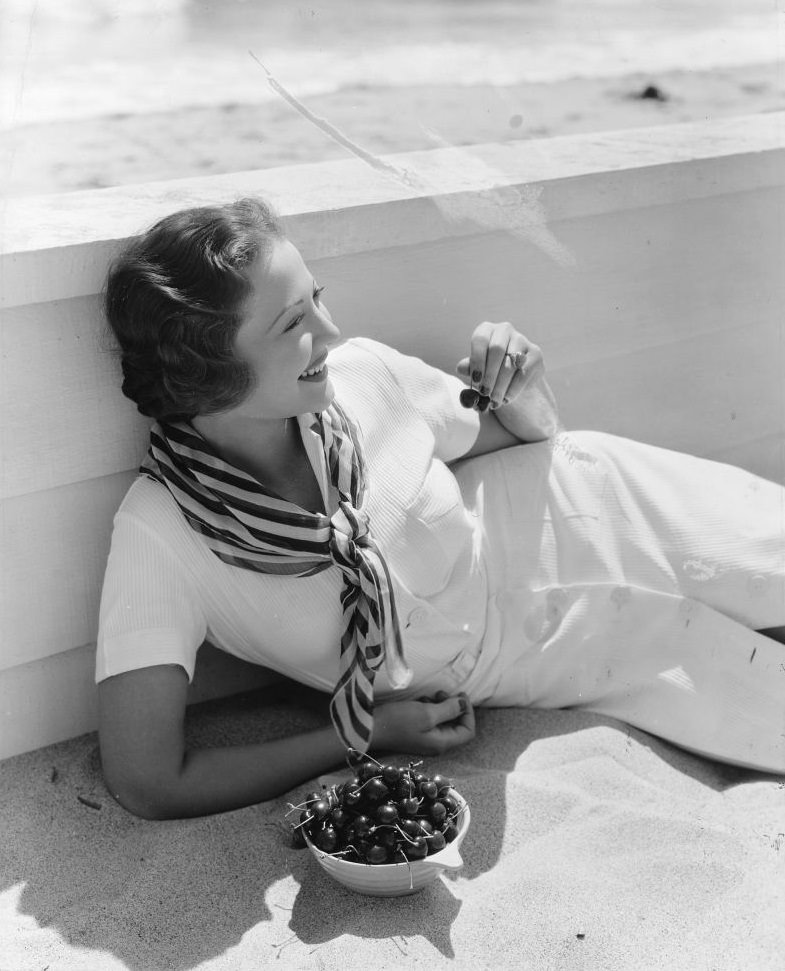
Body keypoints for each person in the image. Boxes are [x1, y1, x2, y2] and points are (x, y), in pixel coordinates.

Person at [97, 197, 785, 820]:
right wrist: (358, 733)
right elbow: (149, 779)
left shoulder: (359, 376)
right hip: (543, 658)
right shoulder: (161, 534)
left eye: (318, 298)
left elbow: (532, 433)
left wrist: (518, 380)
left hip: (595, 503)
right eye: (292, 323)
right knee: (762, 714)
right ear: (208, 371)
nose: (332, 331)